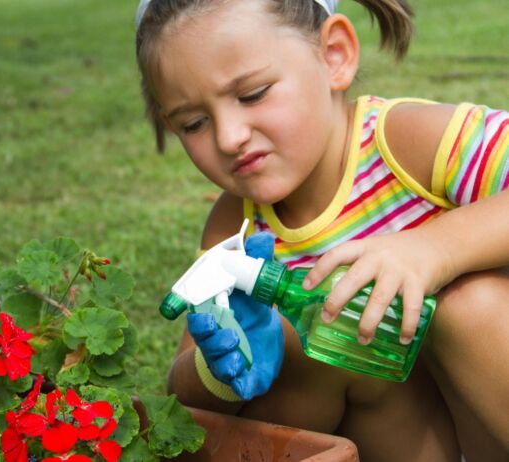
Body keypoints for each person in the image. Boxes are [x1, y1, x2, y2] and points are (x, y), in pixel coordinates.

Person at [134, 0, 509, 460]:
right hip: (415, 438)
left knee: (471, 305)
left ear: (334, 55)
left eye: (252, 94)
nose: (229, 136)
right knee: (312, 337)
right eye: (194, 123)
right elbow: (184, 398)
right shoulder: (238, 227)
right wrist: (223, 365)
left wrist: (436, 248)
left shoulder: (414, 143)